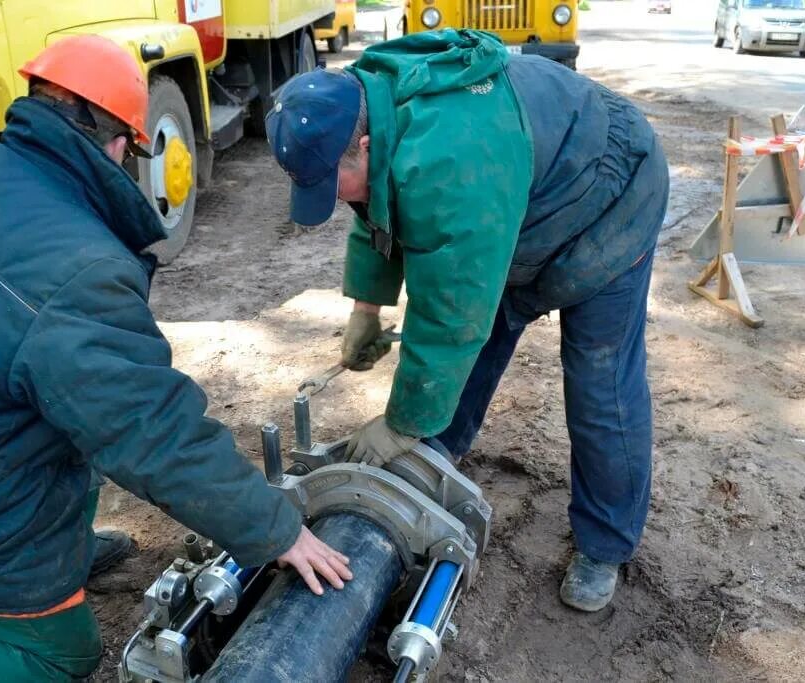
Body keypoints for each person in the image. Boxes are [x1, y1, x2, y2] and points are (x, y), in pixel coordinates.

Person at [0, 35, 350, 681]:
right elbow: (150, 427)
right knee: (56, 654)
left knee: (66, 411)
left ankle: (66, 550)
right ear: (119, 143)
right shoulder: (80, 269)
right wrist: (273, 529)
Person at [266, 29, 668, 613]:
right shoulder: (366, 101)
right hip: (520, 195)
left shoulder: (450, 158)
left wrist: (399, 424)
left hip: (609, 198)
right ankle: (437, 450)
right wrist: (365, 307)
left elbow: (452, 313)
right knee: (474, 338)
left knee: (598, 376)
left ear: (368, 144)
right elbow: (374, 203)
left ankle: (605, 544)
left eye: (331, 181)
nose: (331, 199)